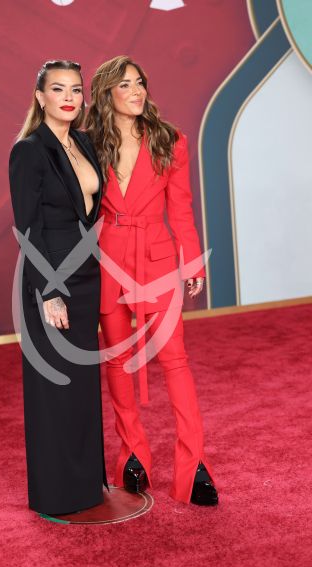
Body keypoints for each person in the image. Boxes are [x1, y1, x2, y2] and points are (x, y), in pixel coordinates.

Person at [86, 55, 218, 506]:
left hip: (158, 261)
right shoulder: (88, 145)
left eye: (140, 82)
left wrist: (193, 264)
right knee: (118, 363)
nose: (137, 90)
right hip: (108, 261)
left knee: (175, 360)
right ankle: (132, 458)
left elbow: (180, 209)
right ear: (107, 94)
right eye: (126, 85)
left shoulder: (170, 140)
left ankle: (194, 466)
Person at [9, 59, 107, 515]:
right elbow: (28, 229)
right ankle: (57, 493)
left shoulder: (83, 142)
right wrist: (48, 291)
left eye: (75, 89)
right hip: (52, 280)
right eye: (58, 88)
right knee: (55, 386)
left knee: (83, 384)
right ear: (40, 96)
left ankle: (87, 485)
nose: (69, 96)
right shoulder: (30, 151)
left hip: (87, 278)